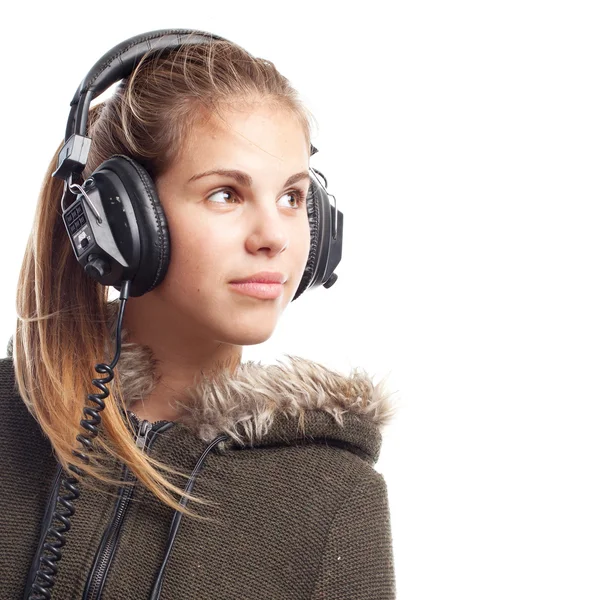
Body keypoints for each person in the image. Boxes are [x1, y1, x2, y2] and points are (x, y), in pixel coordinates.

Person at [0, 29, 398, 599]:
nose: (273, 237)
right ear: (121, 221)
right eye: (225, 195)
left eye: (292, 197)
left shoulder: (332, 496)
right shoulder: (9, 421)